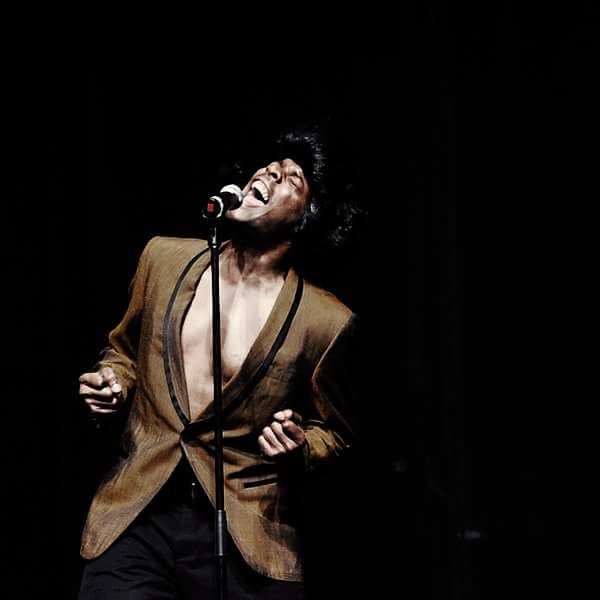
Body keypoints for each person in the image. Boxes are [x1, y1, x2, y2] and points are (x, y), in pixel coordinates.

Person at [77, 127, 361, 599]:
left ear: (306, 218)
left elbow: (335, 432)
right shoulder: (162, 259)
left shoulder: (324, 320)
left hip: (244, 532)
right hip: (139, 513)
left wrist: (300, 447)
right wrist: (113, 383)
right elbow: (124, 352)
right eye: (270, 166)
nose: (270, 172)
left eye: (291, 178)